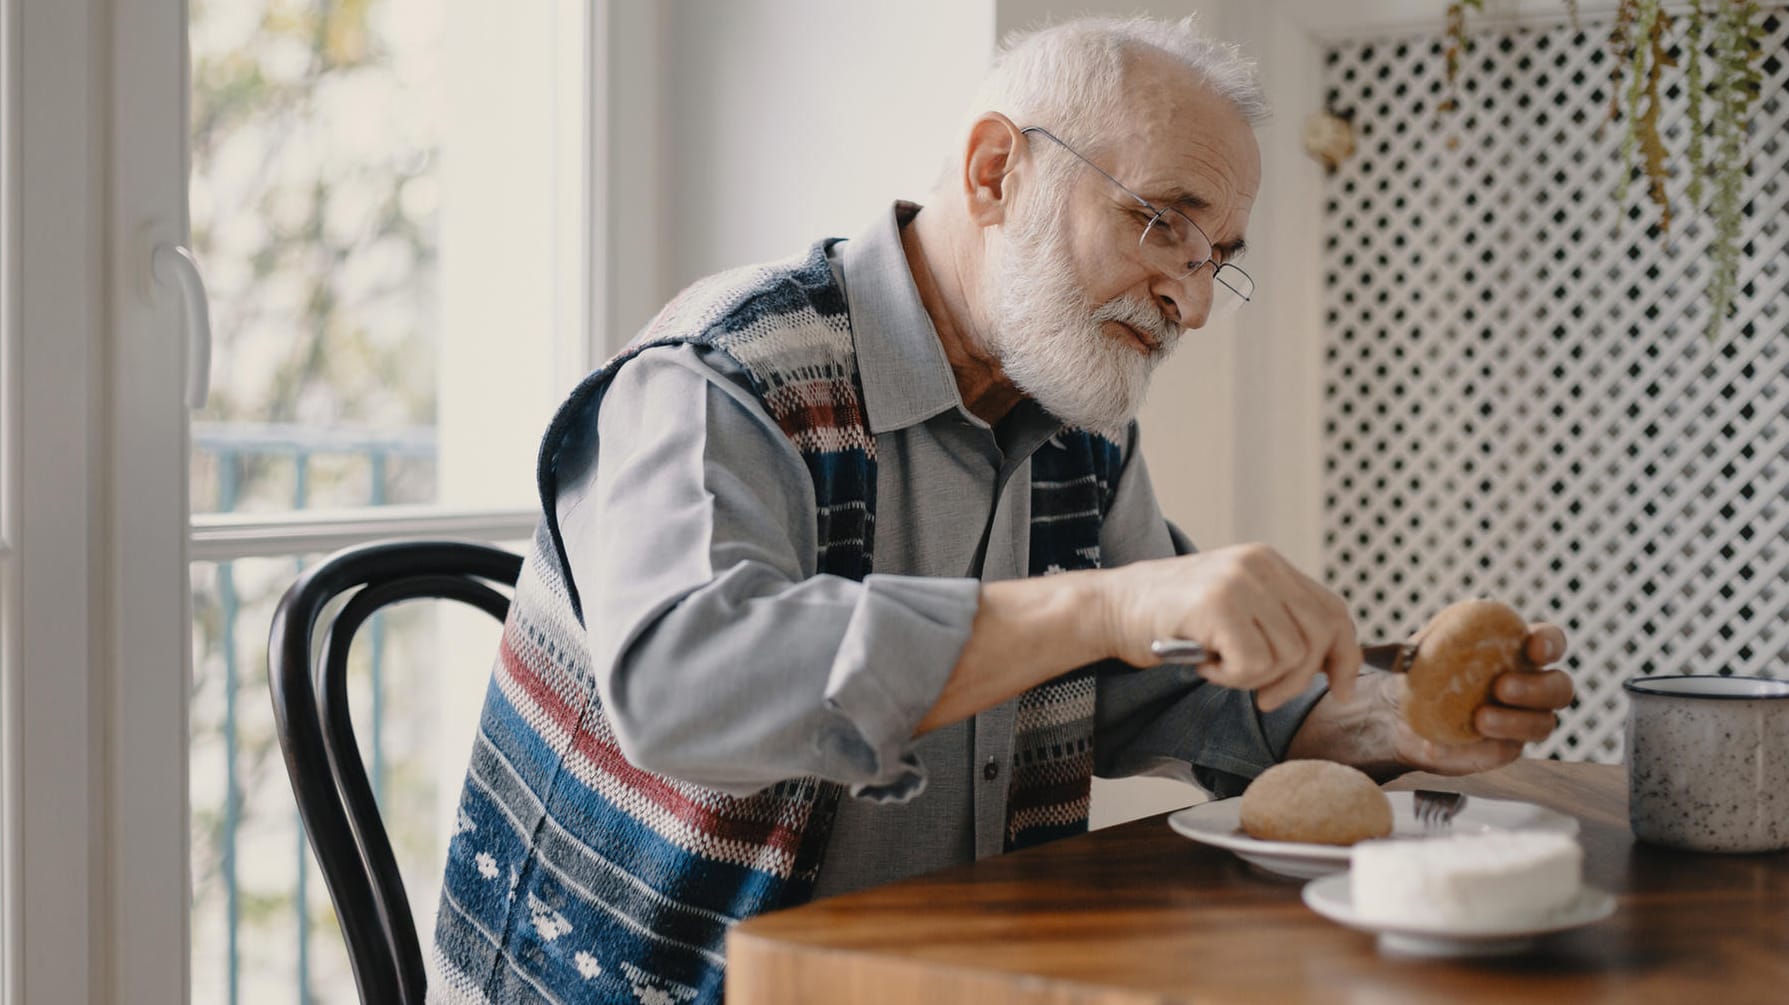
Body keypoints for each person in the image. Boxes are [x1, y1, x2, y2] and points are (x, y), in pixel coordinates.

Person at [429, 14, 1574, 1005]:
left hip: (948, 973)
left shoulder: (1079, 420)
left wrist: (1389, 723)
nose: (1189, 299)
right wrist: (1106, 602)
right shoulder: (720, 374)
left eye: (1214, 255)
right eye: (1161, 222)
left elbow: (1146, 683)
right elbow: (683, 692)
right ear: (993, 172)